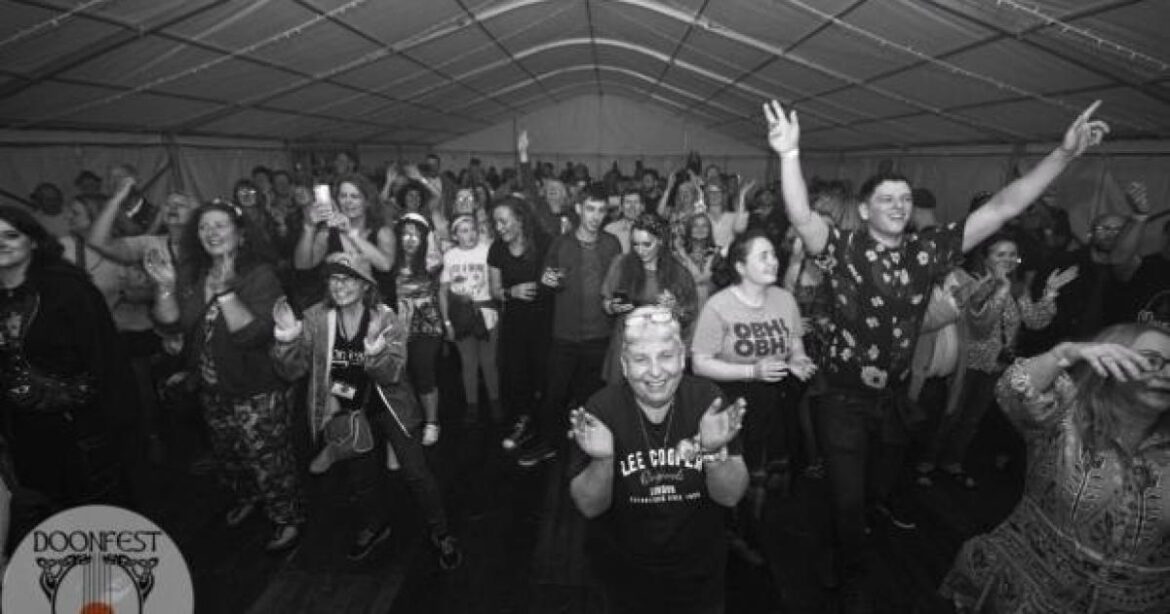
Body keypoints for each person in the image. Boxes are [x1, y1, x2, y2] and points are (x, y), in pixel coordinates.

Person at [766, 97, 1110, 608]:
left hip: (894, 398)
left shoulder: (926, 250)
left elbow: (1003, 207)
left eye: (905, 198)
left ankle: (851, 540)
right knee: (847, 497)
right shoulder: (842, 248)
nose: (899, 205)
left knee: (876, 490)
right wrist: (789, 154)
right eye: (887, 198)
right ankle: (847, 573)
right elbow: (800, 214)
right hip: (840, 398)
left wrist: (1063, 154)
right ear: (865, 210)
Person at [940, 324, 1170, 613]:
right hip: (1028, 593)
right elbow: (1011, 388)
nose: (1167, 374)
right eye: (1151, 361)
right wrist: (1063, 355)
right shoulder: (1066, 413)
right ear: (1109, 361)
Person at [270, 252, 462, 568]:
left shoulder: (386, 319)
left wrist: (373, 347)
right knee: (362, 478)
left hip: (391, 406)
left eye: (348, 278)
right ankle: (375, 526)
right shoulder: (316, 318)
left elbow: (392, 374)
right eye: (334, 278)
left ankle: (441, 532)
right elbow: (291, 371)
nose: (340, 285)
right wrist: (289, 338)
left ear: (365, 285)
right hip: (349, 411)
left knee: (416, 473)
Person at [144, 200, 304, 552]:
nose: (211, 232)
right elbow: (172, 324)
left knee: (268, 459)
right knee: (230, 455)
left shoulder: (260, 275)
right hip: (212, 388)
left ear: (241, 233)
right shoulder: (193, 273)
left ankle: (285, 517)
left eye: (220, 225)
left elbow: (251, 336)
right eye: (204, 227)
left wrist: (227, 292)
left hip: (256, 389)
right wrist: (166, 287)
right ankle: (248, 497)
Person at [568, 306, 749, 614]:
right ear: (624, 366)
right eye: (641, 359)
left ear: (682, 359)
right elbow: (589, 506)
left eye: (665, 356)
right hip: (623, 573)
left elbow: (730, 496)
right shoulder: (601, 409)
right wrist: (602, 460)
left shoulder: (708, 401)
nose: (655, 372)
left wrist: (713, 453)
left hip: (699, 572)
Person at [0, 206, 134, 518]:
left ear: (33, 241)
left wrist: (119, 427)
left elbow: (106, 359)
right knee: (50, 512)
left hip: (81, 428)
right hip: (25, 433)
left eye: (11, 235)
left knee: (99, 512)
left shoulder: (68, 289)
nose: (1, 244)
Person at [917, 235, 1078, 488]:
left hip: (996, 366)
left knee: (972, 418)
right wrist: (1000, 289)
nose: (1008, 259)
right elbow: (981, 326)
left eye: (1012, 254)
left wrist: (1049, 293)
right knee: (951, 414)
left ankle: (952, 461)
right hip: (968, 363)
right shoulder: (974, 284)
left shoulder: (1018, 288)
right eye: (1000, 254)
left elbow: (1035, 321)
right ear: (986, 258)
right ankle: (926, 462)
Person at [517, 184, 622, 467]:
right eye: (590, 209)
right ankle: (548, 445)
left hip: (600, 335)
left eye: (601, 210)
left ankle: (590, 449)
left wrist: (619, 305)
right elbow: (546, 281)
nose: (595, 216)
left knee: (592, 398)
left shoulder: (612, 244)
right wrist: (546, 282)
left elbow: (619, 285)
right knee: (554, 396)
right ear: (578, 209)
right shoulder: (561, 244)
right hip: (565, 336)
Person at [601, 213, 698, 384]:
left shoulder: (677, 273)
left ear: (660, 241)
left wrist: (674, 308)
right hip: (626, 342)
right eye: (635, 244)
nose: (640, 250)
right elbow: (605, 302)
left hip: (660, 346)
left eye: (647, 244)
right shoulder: (622, 264)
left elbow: (689, 315)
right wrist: (612, 306)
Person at [488, 197, 553, 452]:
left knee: (543, 377)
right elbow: (494, 290)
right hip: (514, 324)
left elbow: (559, 276)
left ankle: (546, 430)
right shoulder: (497, 249)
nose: (499, 227)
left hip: (544, 322)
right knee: (516, 376)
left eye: (503, 221)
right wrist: (511, 292)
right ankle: (523, 424)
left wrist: (552, 282)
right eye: (496, 223)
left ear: (520, 219)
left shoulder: (544, 243)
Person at [439, 214, 501, 426]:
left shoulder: (488, 250)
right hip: (461, 315)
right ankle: (472, 405)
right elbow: (443, 291)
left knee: (489, 362)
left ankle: (495, 401)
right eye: (464, 231)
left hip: (486, 311)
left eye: (472, 229)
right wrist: (447, 322)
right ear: (455, 235)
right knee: (468, 363)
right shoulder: (450, 256)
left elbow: (497, 281)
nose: (470, 234)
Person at [394, 213, 444, 446]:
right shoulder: (391, 261)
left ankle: (432, 422)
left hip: (426, 324)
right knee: (400, 376)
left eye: (416, 235)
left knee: (423, 370)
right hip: (397, 324)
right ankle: (405, 419)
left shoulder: (430, 260)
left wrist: (430, 232)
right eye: (405, 234)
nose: (410, 239)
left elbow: (436, 258)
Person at [604, 188, 645, 253]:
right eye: (628, 202)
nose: (632, 206)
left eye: (636, 202)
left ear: (642, 207)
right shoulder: (610, 230)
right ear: (621, 207)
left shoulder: (649, 229)